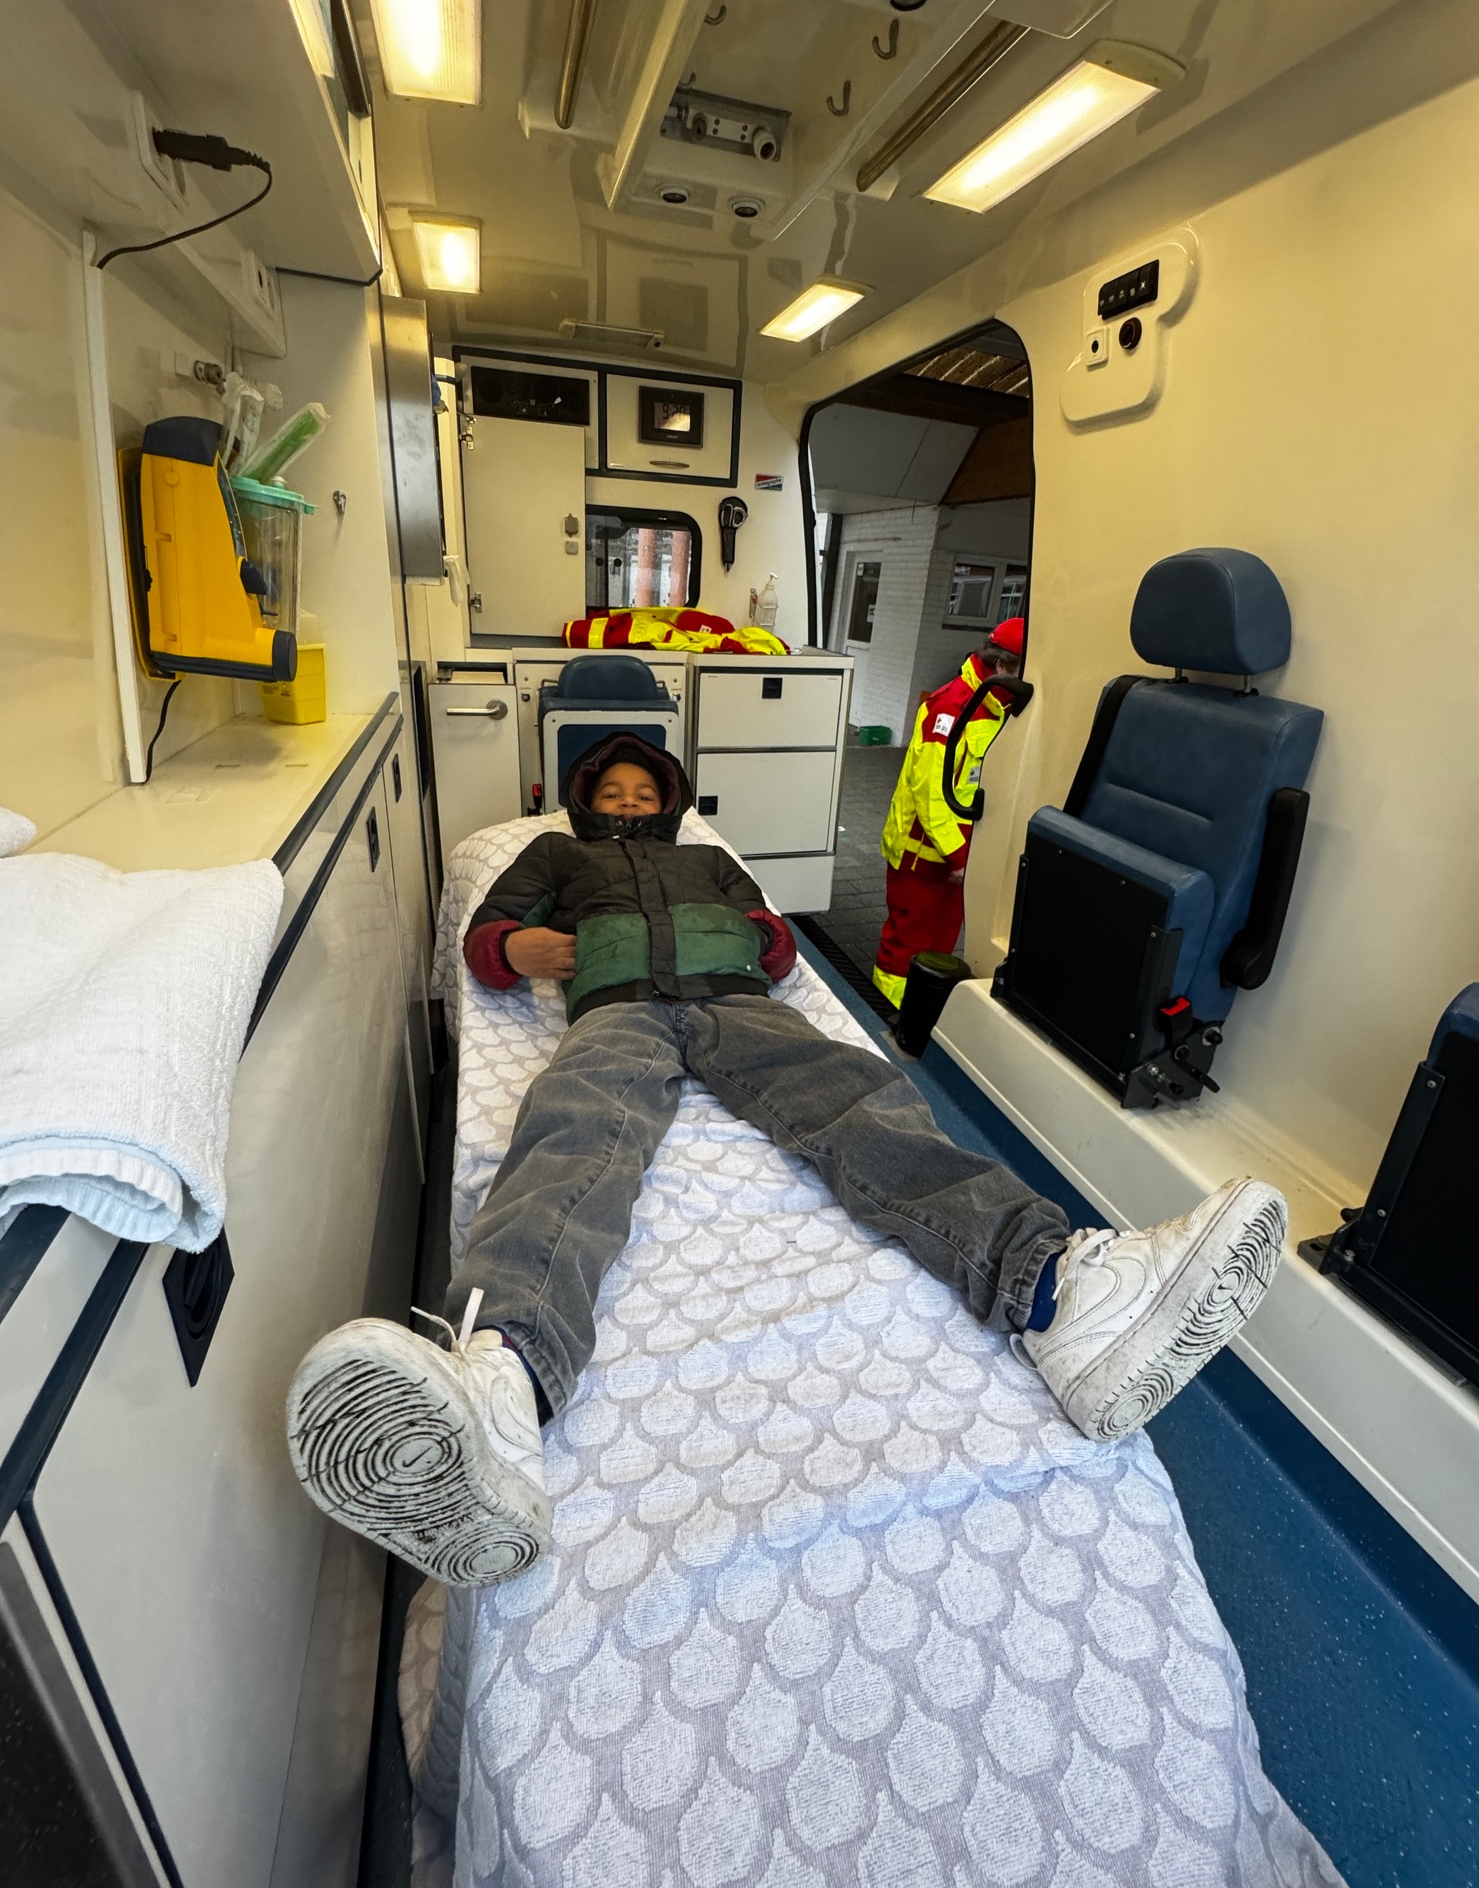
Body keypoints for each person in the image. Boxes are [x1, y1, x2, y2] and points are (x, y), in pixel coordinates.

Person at [285, 731, 1287, 1589]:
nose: (628, 802)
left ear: (671, 803)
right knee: (573, 1132)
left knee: (862, 1102)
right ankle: (502, 1387)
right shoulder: (554, 851)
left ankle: (1059, 1295)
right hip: (617, 1007)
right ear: (585, 802)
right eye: (612, 792)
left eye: (644, 792)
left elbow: (775, 944)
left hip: (737, 1002)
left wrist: (757, 939)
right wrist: (521, 950)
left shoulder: (706, 859)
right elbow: (487, 940)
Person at [873, 615, 1025, 1009]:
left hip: (957, 855)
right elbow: (930, 792)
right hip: (922, 853)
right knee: (905, 946)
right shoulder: (952, 707)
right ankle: (884, 1014)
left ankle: (921, 1011)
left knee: (941, 943)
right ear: (1002, 665)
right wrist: (957, 854)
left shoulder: (996, 706)